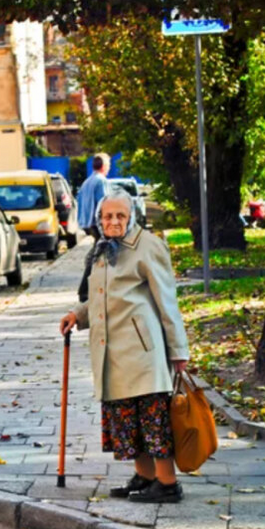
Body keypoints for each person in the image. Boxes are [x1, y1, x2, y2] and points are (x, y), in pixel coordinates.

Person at [59, 189, 190, 504]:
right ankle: (145, 478)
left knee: (152, 419)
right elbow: (103, 297)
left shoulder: (148, 246)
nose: (113, 221)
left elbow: (167, 302)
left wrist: (178, 350)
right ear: (100, 219)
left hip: (143, 351)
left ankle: (167, 483)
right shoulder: (104, 249)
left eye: (120, 215)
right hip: (112, 352)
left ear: (131, 217)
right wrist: (77, 315)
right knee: (127, 420)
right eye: (108, 216)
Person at [76, 153, 110, 302]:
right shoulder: (101, 181)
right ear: (104, 166)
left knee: (97, 253)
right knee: (99, 254)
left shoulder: (87, 182)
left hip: (87, 223)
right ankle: (84, 290)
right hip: (97, 224)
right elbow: (104, 205)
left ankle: (92, 288)